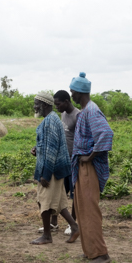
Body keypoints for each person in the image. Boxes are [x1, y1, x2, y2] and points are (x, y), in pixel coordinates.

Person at [70, 73, 114, 263]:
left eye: (72, 91)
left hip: (88, 167)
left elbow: (105, 133)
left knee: (90, 211)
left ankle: (101, 254)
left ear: (79, 92)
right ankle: (90, 251)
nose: (71, 94)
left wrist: (91, 156)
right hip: (82, 166)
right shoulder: (85, 110)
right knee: (82, 210)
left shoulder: (92, 111)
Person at [30, 91, 79, 245]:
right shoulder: (53, 119)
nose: (35, 106)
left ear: (45, 104)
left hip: (51, 169)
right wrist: (38, 149)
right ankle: (74, 226)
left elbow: (51, 149)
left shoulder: (50, 121)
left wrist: (45, 174)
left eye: (37, 104)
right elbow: (50, 144)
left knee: (44, 201)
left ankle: (47, 235)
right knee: (59, 203)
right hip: (56, 168)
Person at [54, 89, 80, 235]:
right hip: (63, 160)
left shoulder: (77, 116)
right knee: (59, 191)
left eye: (58, 104)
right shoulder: (63, 114)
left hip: (74, 161)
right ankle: (54, 222)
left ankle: (73, 223)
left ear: (66, 101)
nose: (57, 107)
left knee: (75, 194)